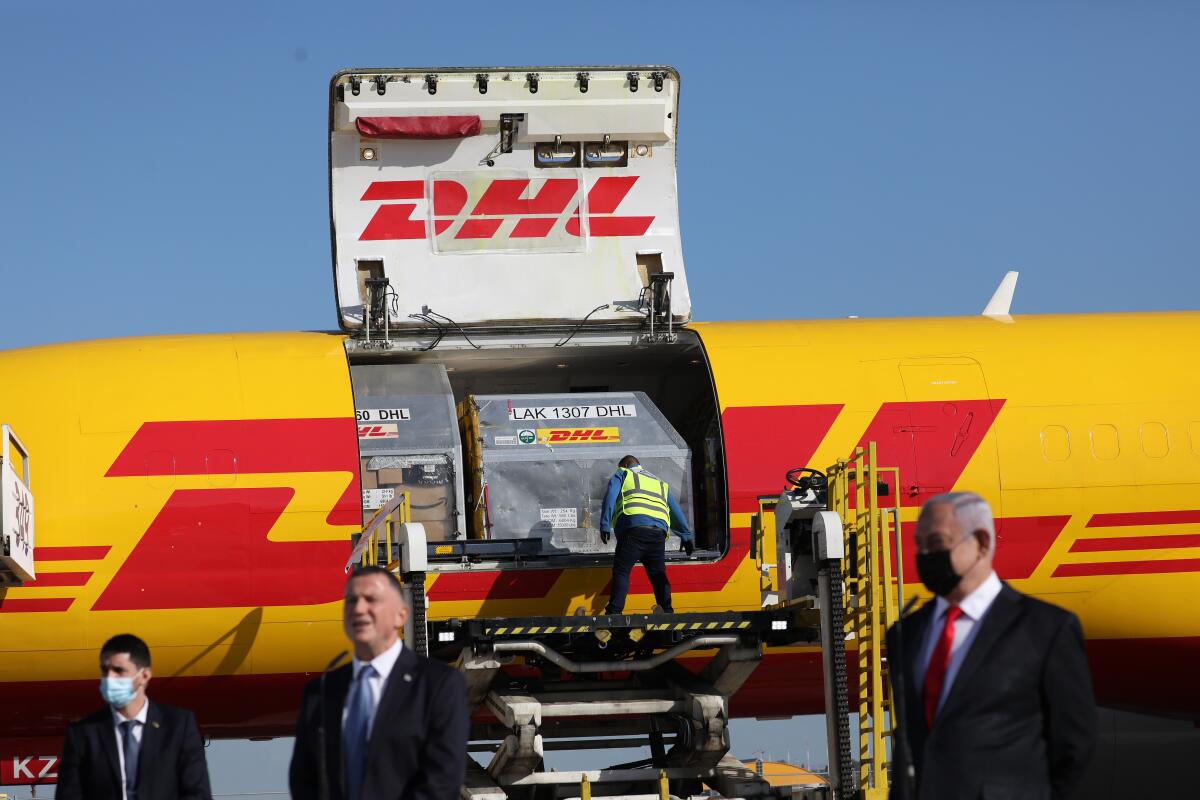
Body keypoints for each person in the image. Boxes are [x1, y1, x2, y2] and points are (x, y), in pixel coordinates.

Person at [887, 492, 1096, 800]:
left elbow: (1074, 747)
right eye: (920, 544)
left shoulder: (1045, 629)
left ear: (982, 543)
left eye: (937, 543)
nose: (925, 554)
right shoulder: (905, 633)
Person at [289, 565, 468, 800]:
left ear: (401, 615)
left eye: (371, 600)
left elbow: (442, 781)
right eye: (351, 601)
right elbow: (303, 782)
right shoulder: (320, 693)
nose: (359, 609)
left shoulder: (438, 685)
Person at [57, 633, 212, 800]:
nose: (109, 678)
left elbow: (197, 794)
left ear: (144, 675)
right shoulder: (82, 734)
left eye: (118, 671)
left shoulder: (179, 727)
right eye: (104, 670)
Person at [599, 455, 695, 614]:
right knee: (658, 574)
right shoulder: (659, 483)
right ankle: (667, 609)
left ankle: (614, 612)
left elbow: (610, 497)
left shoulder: (623, 473)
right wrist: (685, 536)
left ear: (624, 465)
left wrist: (604, 525)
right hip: (657, 535)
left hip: (633, 531)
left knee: (622, 571)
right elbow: (675, 510)